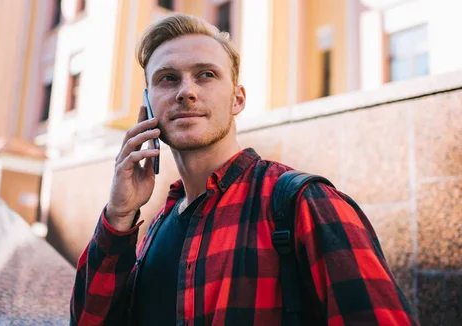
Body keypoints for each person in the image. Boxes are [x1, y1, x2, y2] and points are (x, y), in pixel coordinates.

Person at [70, 13, 417, 326]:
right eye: (167, 78)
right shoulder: (156, 224)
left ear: (237, 98)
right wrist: (119, 215)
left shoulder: (304, 204)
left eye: (206, 75)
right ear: (148, 105)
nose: (186, 92)